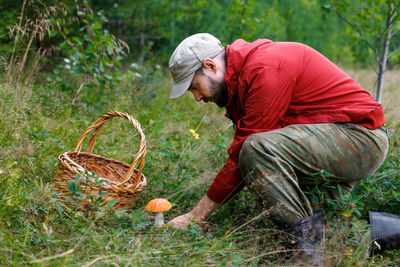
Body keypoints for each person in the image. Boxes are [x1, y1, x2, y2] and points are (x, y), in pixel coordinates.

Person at [166, 33, 389, 264]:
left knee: (256, 148)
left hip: (360, 138)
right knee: (333, 231)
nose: (196, 98)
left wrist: (196, 216)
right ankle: (390, 232)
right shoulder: (243, 77)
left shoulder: (265, 68)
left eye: (194, 87)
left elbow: (247, 151)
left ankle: (303, 255)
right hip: (332, 140)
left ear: (210, 66)